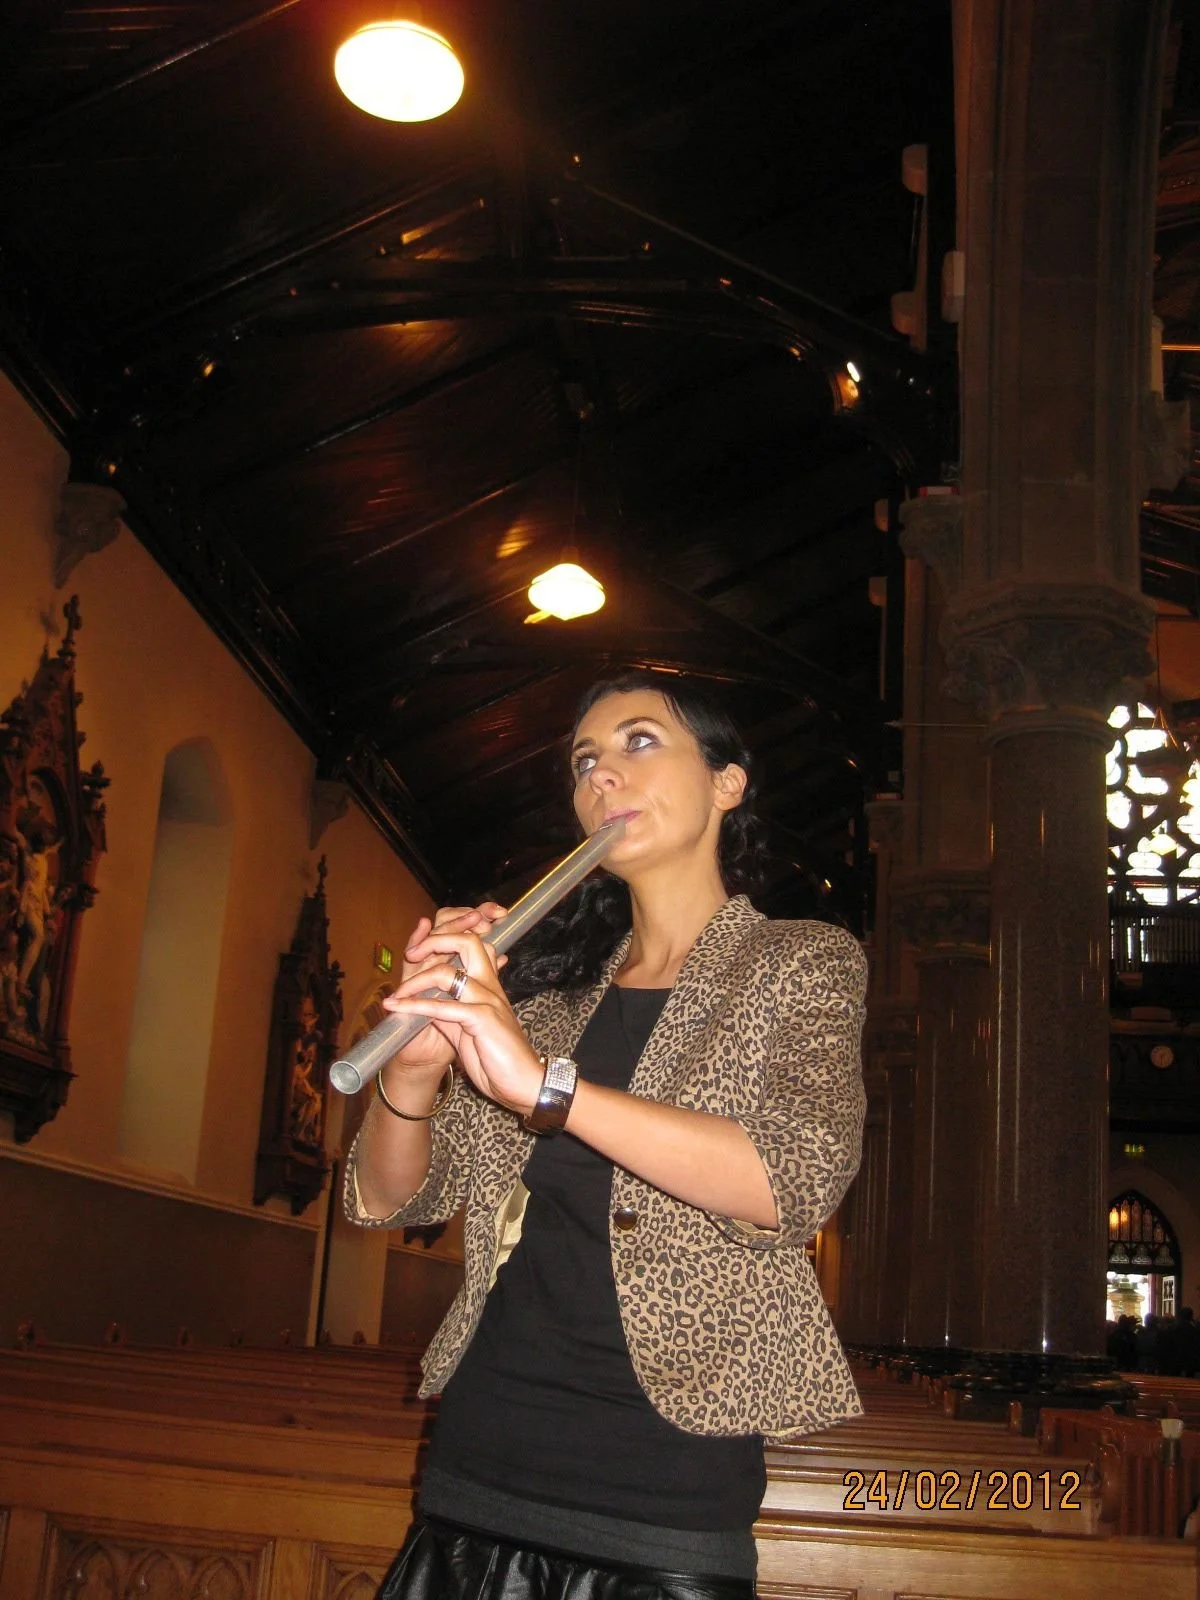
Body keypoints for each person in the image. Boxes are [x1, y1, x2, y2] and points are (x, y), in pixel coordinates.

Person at [344, 672, 868, 1600]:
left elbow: (794, 1181)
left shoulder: (802, 963)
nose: (600, 778)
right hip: (480, 1461)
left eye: (638, 743)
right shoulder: (543, 1003)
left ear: (727, 783)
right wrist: (415, 1070)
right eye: (585, 761)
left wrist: (546, 1088)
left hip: (663, 1487)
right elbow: (392, 1199)